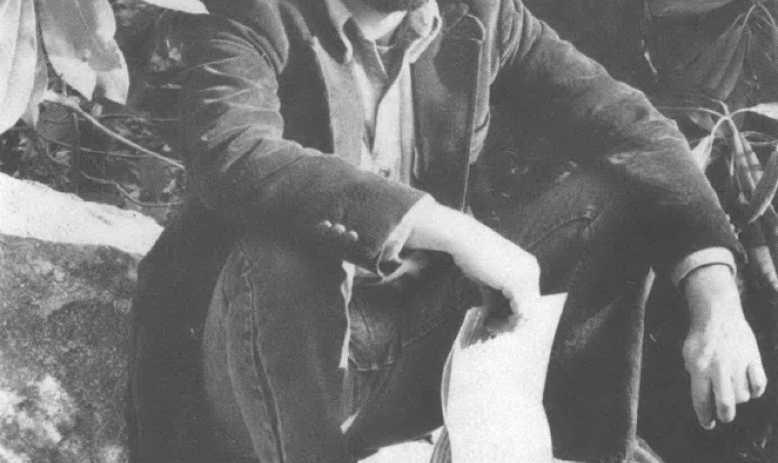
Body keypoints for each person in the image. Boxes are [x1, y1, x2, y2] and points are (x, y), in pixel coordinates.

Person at [126, 0, 767, 461]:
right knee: (286, 246)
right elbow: (235, 154)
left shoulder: (480, 16)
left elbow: (637, 131)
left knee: (614, 196)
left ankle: (583, 452)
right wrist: (454, 231)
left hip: (406, 348)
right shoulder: (255, 14)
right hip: (264, 369)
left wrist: (716, 298)